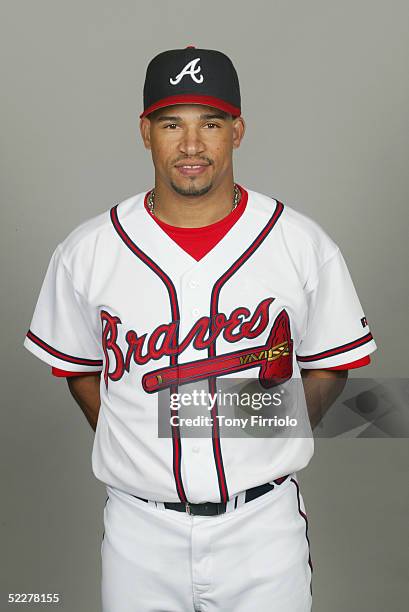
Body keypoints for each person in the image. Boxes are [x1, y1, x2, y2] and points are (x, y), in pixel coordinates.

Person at [24, 46, 377, 612]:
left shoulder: (301, 243)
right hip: (140, 531)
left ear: (237, 130)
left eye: (210, 123)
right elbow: (80, 374)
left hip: (263, 528)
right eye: (172, 124)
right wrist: (137, 445)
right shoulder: (88, 251)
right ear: (146, 131)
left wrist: (271, 425)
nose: (191, 146)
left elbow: (334, 360)